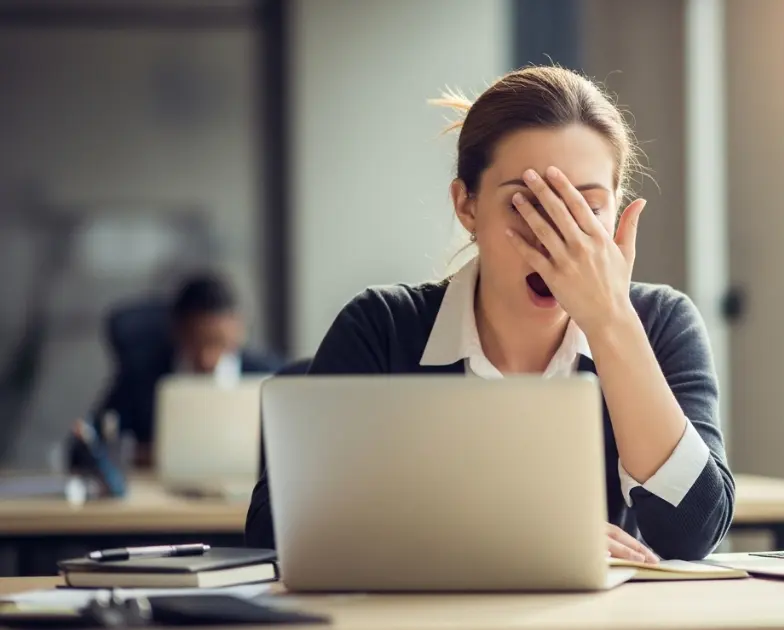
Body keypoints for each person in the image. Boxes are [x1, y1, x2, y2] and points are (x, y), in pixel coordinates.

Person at [244, 66, 735, 562]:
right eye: (525, 204)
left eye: (585, 209)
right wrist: (518, 538)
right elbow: (274, 529)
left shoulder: (658, 323)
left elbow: (690, 534)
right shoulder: (383, 326)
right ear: (467, 206)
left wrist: (611, 323)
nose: (553, 238)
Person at [93, 273, 282, 466]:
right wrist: (145, 454)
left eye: (218, 342)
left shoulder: (268, 375)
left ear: (238, 330)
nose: (207, 358)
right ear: (177, 330)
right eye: (196, 343)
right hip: (157, 489)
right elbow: (94, 443)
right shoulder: (141, 375)